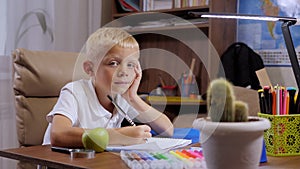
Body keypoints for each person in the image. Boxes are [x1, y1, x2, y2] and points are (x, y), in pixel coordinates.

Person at [42, 27, 174, 147]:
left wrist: (133, 98)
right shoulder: (74, 92)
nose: (124, 72)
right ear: (89, 69)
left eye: (130, 64)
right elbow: (58, 135)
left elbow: (167, 130)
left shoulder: (122, 98)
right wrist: (119, 136)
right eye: (113, 63)